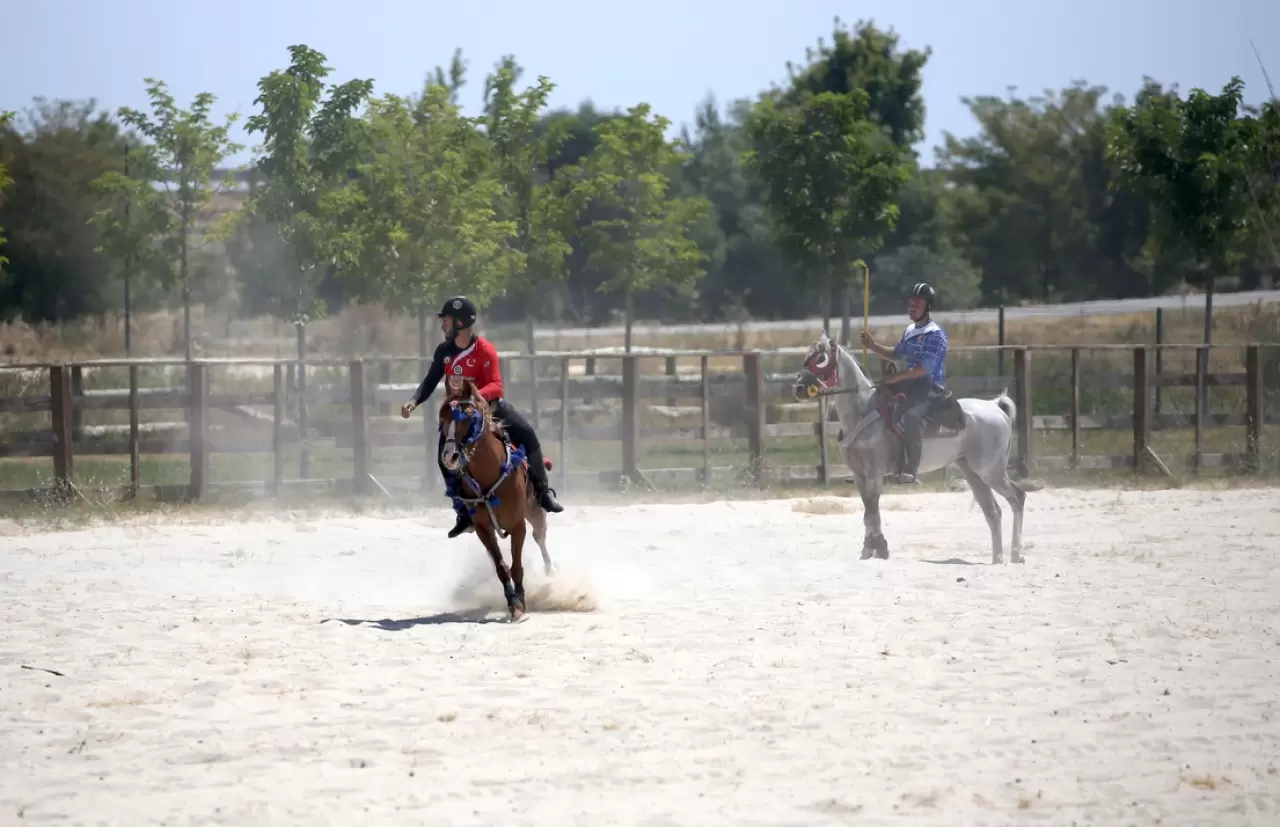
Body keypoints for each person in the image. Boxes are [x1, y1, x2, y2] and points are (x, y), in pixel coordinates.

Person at [400, 295, 564, 538]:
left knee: (528, 435)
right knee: (443, 458)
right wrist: (414, 401)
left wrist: (474, 398)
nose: (442, 325)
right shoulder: (443, 352)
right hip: (459, 417)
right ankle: (464, 512)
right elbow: (430, 380)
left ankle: (542, 492)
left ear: (460, 323)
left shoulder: (484, 350)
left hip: (490, 409)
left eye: (446, 320)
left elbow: (497, 386)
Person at [859, 282, 949, 484]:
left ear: (928, 306)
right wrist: (873, 346)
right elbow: (895, 354)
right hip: (909, 386)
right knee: (878, 407)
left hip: (929, 389)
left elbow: (924, 369)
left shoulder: (936, 335)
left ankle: (910, 470)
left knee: (911, 418)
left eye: (917, 302)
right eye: (910, 301)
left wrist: (896, 378)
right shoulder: (909, 331)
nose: (912, 305)